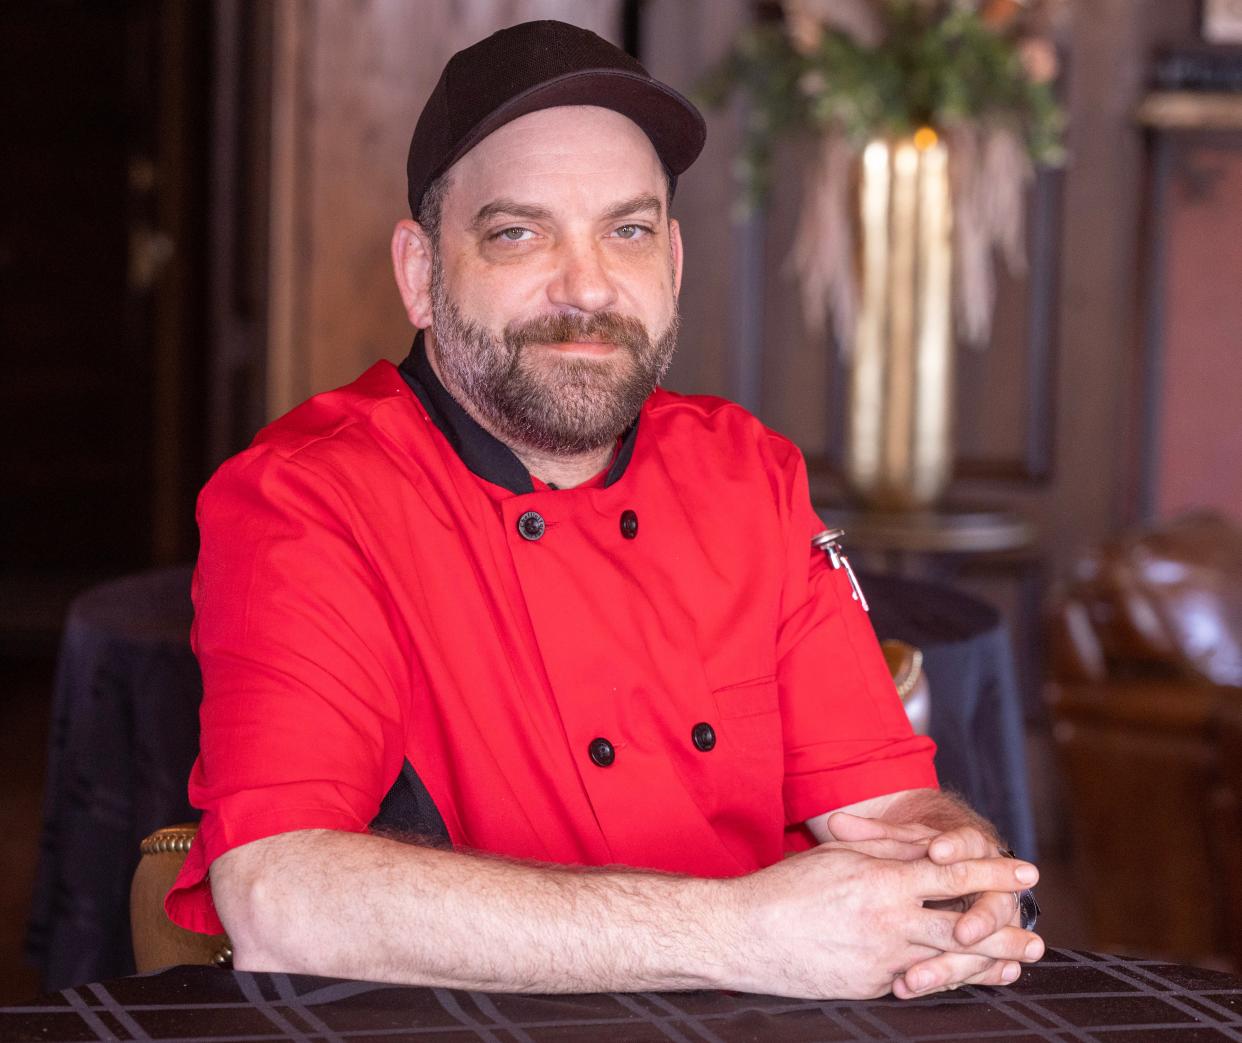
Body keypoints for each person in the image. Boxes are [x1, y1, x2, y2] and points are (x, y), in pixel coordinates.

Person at [166, 20, 1042, 1000]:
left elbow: (884, 804)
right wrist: (745, 933)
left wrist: (950, 870)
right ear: (420, 273)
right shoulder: (308, 498)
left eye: (625, 231)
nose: (586, 286)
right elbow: (280, 897)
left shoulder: (749, 472)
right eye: (518, 232)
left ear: (670, 264)